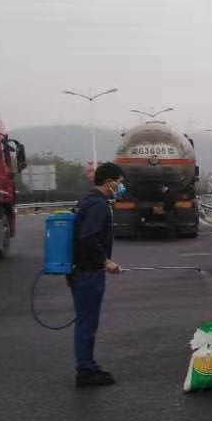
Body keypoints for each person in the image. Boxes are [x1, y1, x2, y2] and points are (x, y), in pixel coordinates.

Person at [70, 163, 124, 387]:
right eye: (119, 182)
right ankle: (86, 371)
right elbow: (88, 237)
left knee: (86, 320)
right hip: (88, 272)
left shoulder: (88, 201)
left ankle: (87, 366)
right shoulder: (98, 205)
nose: (120, 187)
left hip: (81, 270)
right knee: (87, 322)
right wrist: (106, 261)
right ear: (109, 182)